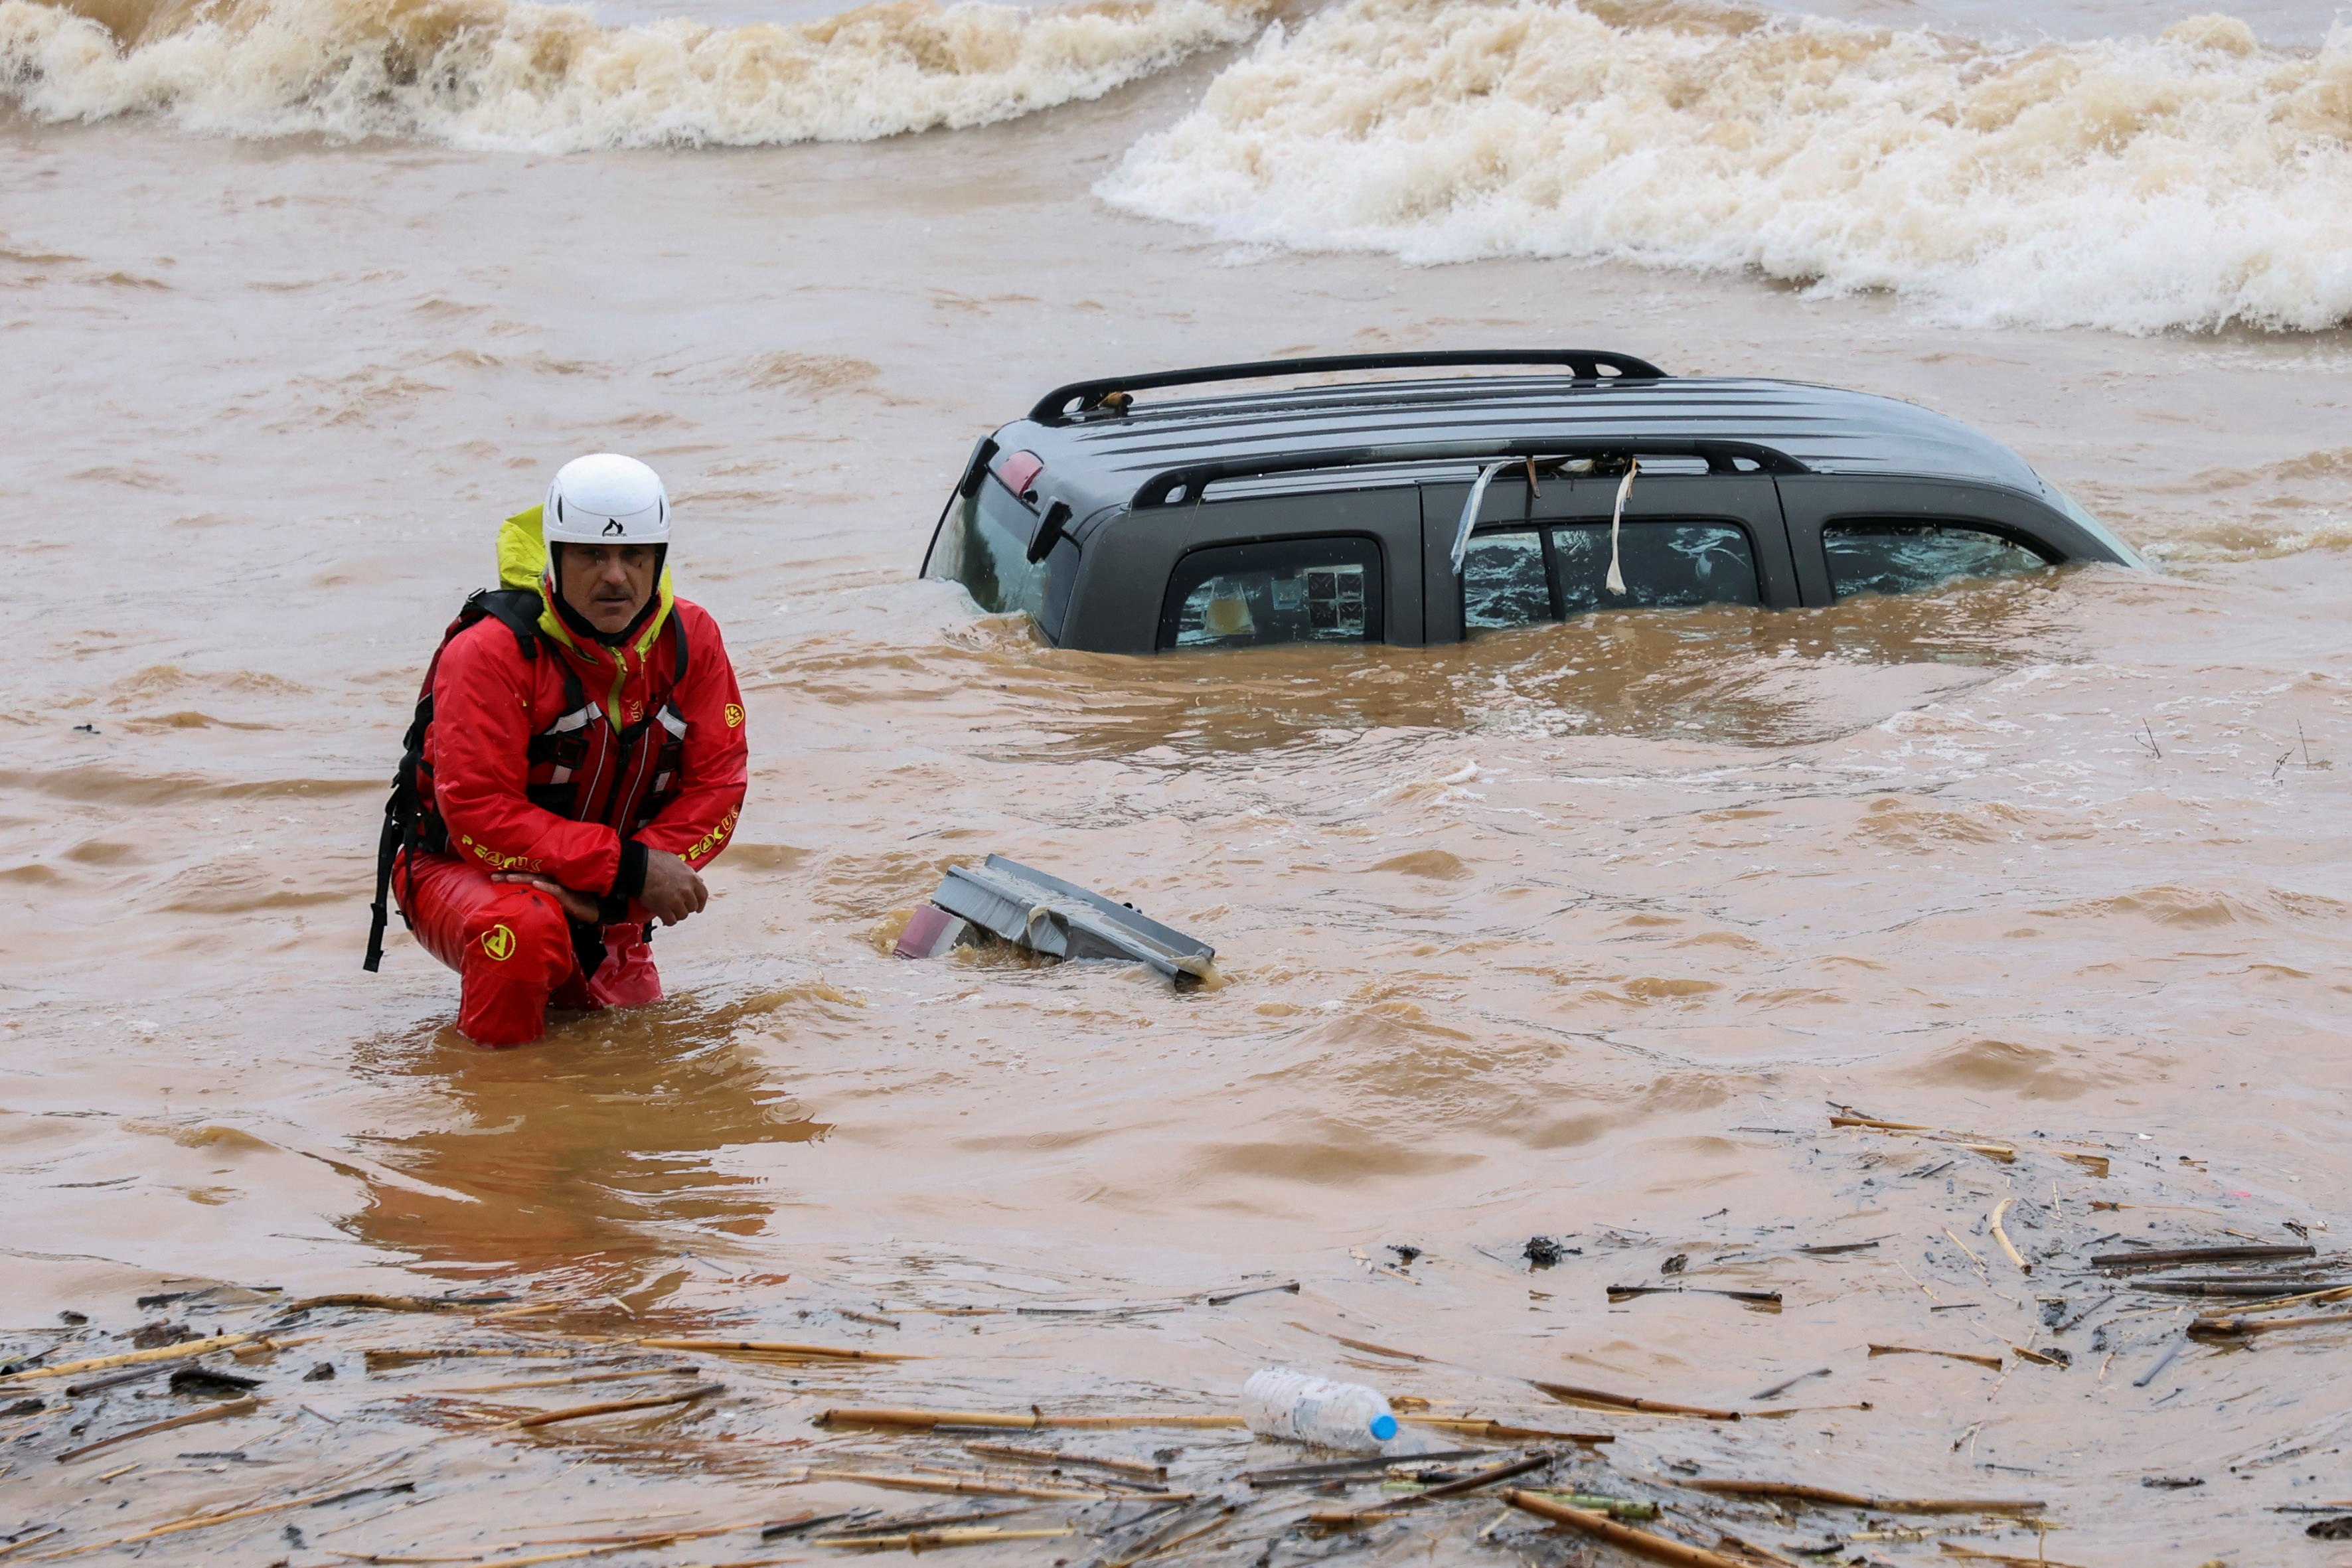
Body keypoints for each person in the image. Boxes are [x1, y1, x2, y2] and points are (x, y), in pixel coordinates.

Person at [366, 453, 748, 1047]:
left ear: (658, 560)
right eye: (593, 555)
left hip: (605, 891)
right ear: (556, 556)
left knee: (636, 1054)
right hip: (457, 869)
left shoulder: (693, 638)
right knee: (521, 928)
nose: (616, 576)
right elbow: (478, 812)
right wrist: (630, 871)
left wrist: (617, 899)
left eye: (633, 556)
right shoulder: (489, 652)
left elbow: (717, 789)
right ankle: (500, 1115)